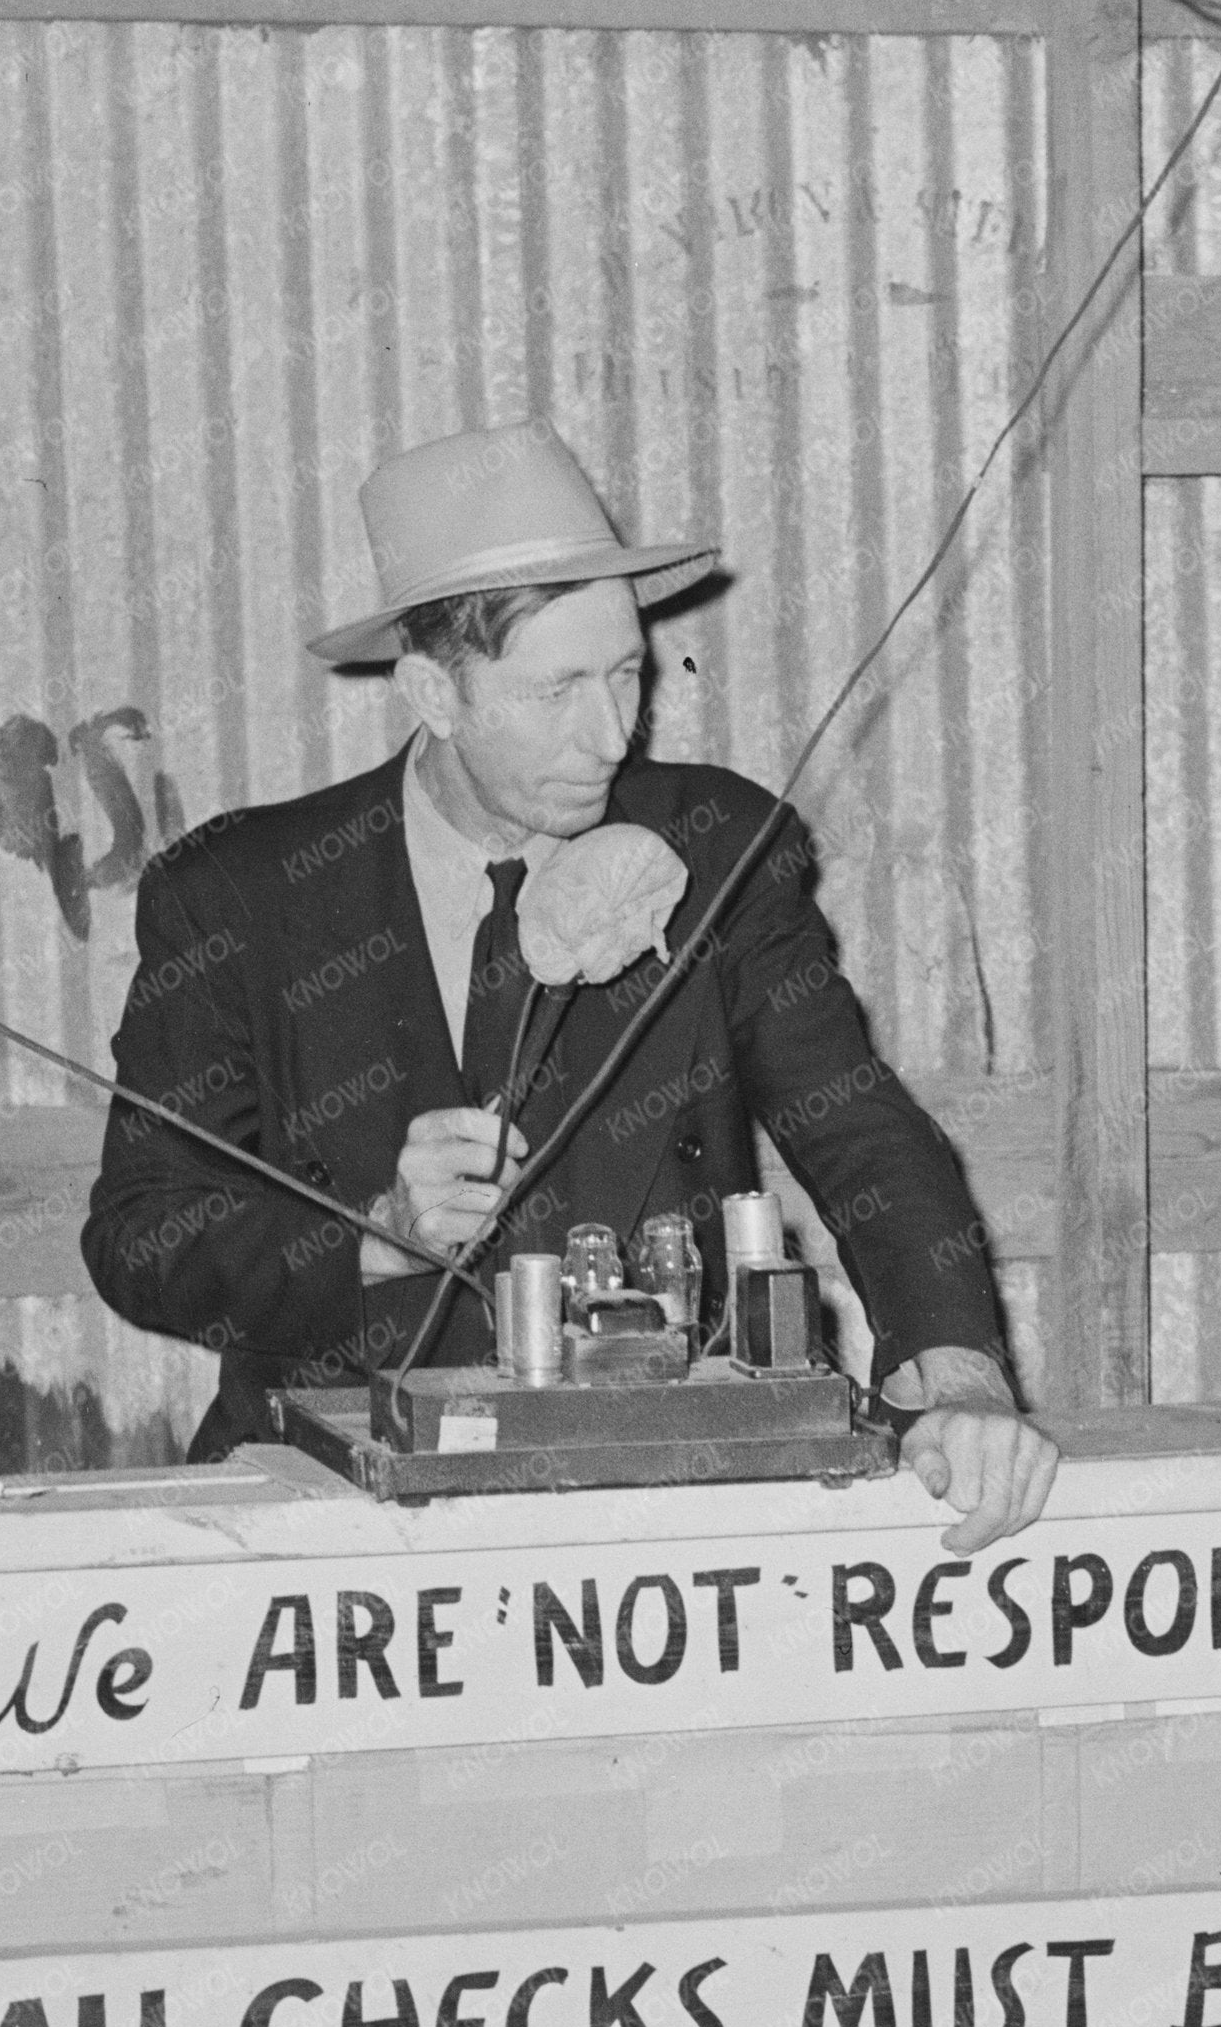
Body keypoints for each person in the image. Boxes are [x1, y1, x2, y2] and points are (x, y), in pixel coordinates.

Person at [80, 420, 1056, 1547]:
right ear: (433, 694)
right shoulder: (238, 894)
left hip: (666, 1502)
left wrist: (960, 1376)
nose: (610, 736)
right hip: (341, 1523)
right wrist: (372, 1236)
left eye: (627, 675)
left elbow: (860, 1131)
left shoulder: (717, 847)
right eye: (556, 692)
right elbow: (141, 1236)